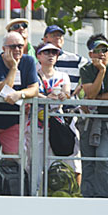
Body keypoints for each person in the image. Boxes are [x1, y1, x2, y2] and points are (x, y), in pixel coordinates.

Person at [0, 32, 39, 191]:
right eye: (13, 46)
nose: (18, 49)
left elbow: (34, 88)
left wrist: (21, 94)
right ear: (4, 48)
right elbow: (3, 89)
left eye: (20, 45)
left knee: (12, 158)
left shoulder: (29, 61)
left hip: (14, 120)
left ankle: (9, 191)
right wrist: (13, 67)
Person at [79, 34, 108, 198]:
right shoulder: (85, 69)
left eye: (105, 50)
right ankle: (87, 198)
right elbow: (90, 93)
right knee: (88, 162)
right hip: (89, 122)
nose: (102, 54)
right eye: (97, 50)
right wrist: (101, 71)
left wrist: (94, 99)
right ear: (90, 54)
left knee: (103, 159)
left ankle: (104, 198)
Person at [42, 24, 87, 185]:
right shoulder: (37, 61)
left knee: (73, 158)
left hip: (68, 117)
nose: (58, 38)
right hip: (42, 118)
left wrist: (82, 87)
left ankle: (73, 192)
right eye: (53, 35)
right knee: (44, 159)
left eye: (60, 35)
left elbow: (90, 71)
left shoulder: (75, 59)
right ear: (44, 39)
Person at [25, 42, 72, 189]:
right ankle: (34, 193)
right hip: (36, 125)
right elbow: (30, 90)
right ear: (38, 55)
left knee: (54, 164)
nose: (51, 55)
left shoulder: (63, 75)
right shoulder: (33, 73)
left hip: (56, 125)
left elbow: (67, 92)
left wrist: (63, 95)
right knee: (35, 163)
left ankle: (52, 193)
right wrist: (45, 98)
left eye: (54, 52)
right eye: (47, 52)